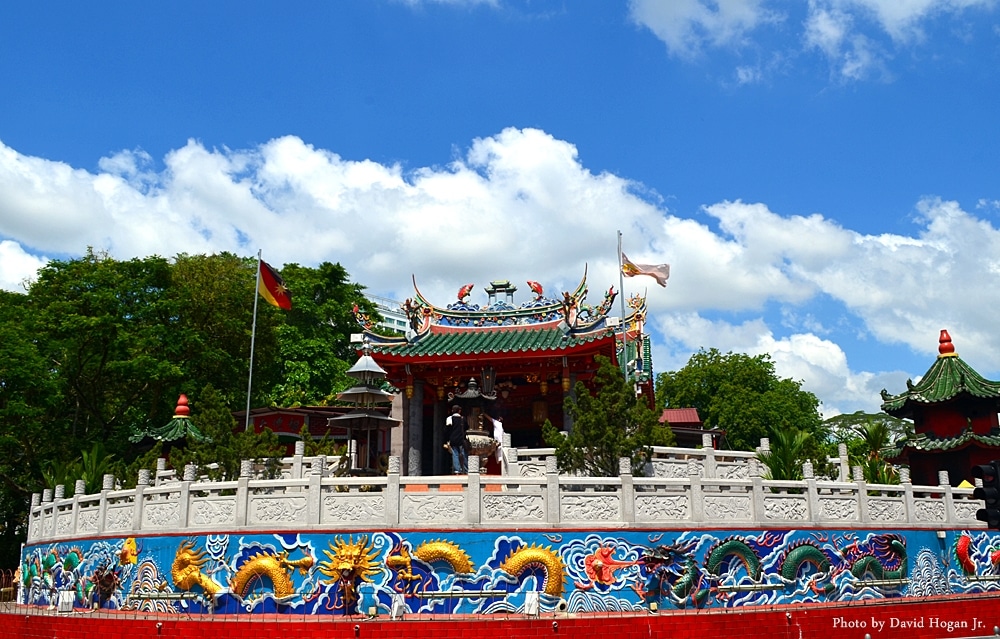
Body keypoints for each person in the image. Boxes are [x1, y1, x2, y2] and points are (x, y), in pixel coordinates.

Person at [446, 405, 468, 474]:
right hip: (461, 439)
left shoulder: (449, 418)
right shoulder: (462, 418)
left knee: (455, 454)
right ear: (459, 411)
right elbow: (467, 427)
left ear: (452, 411)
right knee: (463, 454)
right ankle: (467, 469)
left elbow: (447, 429)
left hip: (453, 439)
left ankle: (457, 470)